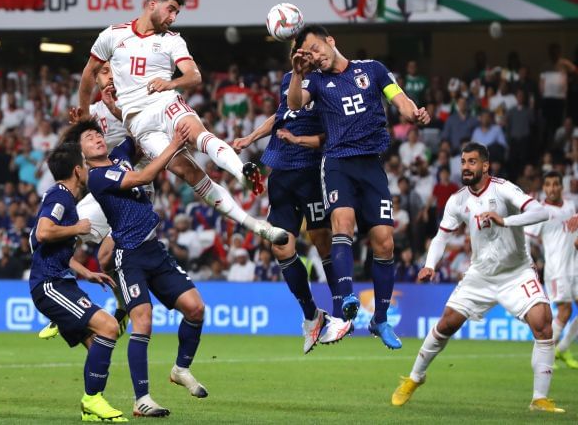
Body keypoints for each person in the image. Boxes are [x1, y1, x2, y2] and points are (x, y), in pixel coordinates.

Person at [77, 0, 288, 247]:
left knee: (199, 134)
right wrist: (85, 115)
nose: (173, 18)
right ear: (152, 4)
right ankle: (256, 226)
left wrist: (170, 83)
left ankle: (240, 171)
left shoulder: (172, 40)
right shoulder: (113, 35)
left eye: (177, 13)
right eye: (171, 10)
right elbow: (88, 73)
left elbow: (194, 75)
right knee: (190, 174)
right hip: (140, 124)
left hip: (166, 103)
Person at [287, 24, 430, 350]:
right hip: (337, 163)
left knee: (384, 242)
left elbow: (400, 100)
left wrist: (414, 114)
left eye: (315, 49)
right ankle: (347, 298)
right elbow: (295, 105)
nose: (314, 57)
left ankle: (380, 319)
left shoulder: (373, 70)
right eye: (307, 54)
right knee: (343, 224)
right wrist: (296, 74)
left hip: (371, 166)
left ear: (330, 41)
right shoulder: (315, 81)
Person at [392, 143, 563, 413]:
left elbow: (541, 212)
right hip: (480, 275)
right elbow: (441, 237)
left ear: (485, 166)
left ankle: (539, 399)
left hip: (516, 272)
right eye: (463, 162)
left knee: (543, 323)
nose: (466, 167)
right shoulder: (457, 200)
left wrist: (505, 220)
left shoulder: (503, 188)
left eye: (472, 162)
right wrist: (430, 264)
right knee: (446, 324)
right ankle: (414, 378)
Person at [63, 119, 207, 418]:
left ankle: (180, 369)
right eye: (89, 139)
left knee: (195, 309)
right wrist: (173, 144)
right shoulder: (98, 177)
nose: (97, 138)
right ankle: (141, 398)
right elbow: (144, 177)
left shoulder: (118, 157)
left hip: (155, 250)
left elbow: (136, 131)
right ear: (83, 156)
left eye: (97, 134)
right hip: (129, 256)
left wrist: (123, 100)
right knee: (143, 319)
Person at [233, 55, 351, 353]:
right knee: (280, 245)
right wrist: (250, 138)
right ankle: (312, 315)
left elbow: (330, 135)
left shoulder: (328, 82)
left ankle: (339, 314)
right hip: (281, 173)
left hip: (311, 172)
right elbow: (282, 114)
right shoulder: (290, 79)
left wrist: (299, 141)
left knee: (323, 240)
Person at [29, 143, 127, 423]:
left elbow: (39, 242)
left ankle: (91, 407)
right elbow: (44, 232)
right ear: (77, 170)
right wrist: (78, 228)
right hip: (50, 284)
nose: (87, 169)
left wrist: (85, 271)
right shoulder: (61, 198)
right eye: (84, 164)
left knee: (99, 341)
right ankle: (92, 399)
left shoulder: (62, 198)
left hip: (63, 280)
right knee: (109, 326)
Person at [38, 62, 128, 340]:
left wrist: (117, 110)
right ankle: (62, 305)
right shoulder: (93, 114)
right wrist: (78, 128)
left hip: (134, 188)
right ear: (96, 80)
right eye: (103, 72)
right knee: (66, 233)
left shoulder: (134, 99)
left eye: (114, 70)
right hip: (103, 189)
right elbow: (73, 149)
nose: (110, 75)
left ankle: (123, 306)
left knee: (104, 257)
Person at [525, 171, 578, 369]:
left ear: (561, 187)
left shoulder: (571, 205)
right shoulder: (541, 211)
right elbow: (526, 238)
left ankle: (562, 349)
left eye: (556, 184)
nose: (552, 188)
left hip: (575, 267)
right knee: (565, 311)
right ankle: (543, 356)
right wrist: (529, 263)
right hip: (557, 270)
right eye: (548, 185)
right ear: (544, 188)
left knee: (569, 310)